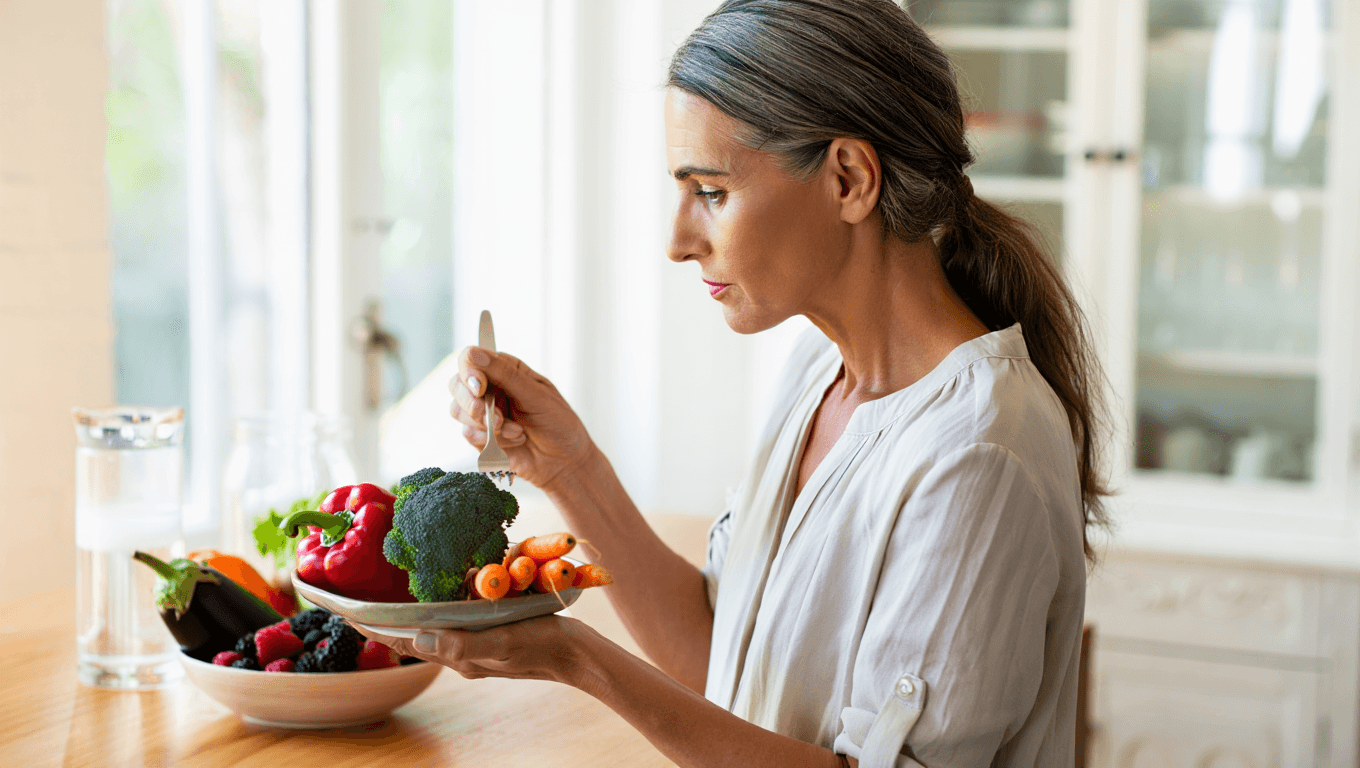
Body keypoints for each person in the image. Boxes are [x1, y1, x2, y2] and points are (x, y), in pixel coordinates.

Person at [358, 1, 1109, 765]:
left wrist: (576, 659)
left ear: (849, 178)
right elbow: (725, 661)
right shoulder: (820, 371)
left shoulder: (979, 454)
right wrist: (568, 468)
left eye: (710, 192)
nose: (678, 241)